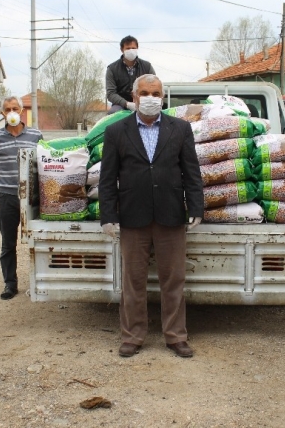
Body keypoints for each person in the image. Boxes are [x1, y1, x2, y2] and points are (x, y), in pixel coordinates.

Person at [99, 73, 203, 358]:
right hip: (133, 218)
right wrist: (108, 215)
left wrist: (195, 207)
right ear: (134, 97)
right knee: (133, 282)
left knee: (174, 281)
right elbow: (107, 179)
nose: (151, 98)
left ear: (163, 98)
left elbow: (191, 172)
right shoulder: (116, 131)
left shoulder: (180, 129)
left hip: (171, 216)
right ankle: (133, 336)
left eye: (156, 94)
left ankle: (176, 336)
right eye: (145, 93)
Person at [0, 96, 43, 300]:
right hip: (6, 196)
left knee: (37, 239)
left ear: (21, 111)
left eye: (15, 108)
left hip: (31, 199)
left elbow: (42, 168)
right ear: (3, 113)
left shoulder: (36, 135)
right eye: (7, 109)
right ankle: (10, 284)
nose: (11, 112)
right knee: (7, 243)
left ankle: (39, 282)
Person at [105, 35, 155, 114]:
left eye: (133, 48)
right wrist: (126, 104)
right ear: (122, 49)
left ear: (137, 48)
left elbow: (154, 86)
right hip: (120, 104)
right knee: (113, 112)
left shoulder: (147, 67)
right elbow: (111, 93)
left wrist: (143, 101)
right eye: (128, 48)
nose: (131, 50)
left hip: (143, 102)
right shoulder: (112, 69)